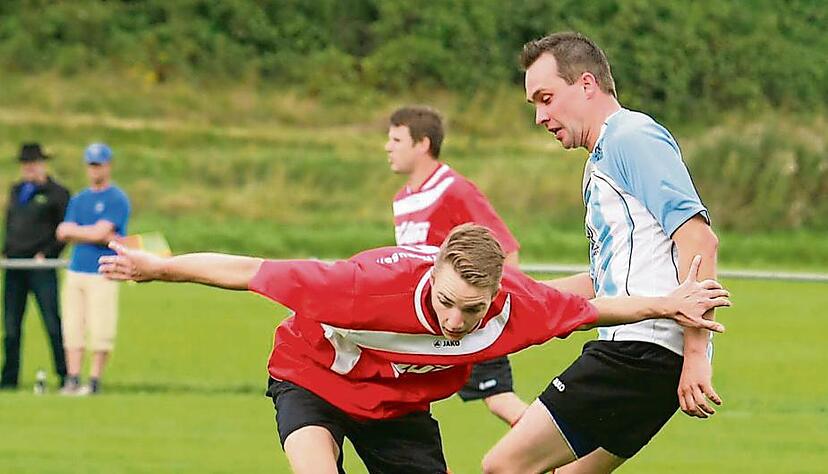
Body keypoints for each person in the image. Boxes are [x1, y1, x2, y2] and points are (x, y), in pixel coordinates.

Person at [98, 223, 729, 473]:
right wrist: (160, 268)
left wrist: (670, 303)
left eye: (471, 311)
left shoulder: (515, 307)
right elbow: (244, 270)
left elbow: (595, 309)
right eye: (447, 302)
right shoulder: (360, 289)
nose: (455, 323)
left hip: (399, 410)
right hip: (312, 381)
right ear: (433, 276)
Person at [482, 32, 724, 473]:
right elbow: (604, 281)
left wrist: (695, 356)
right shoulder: (601, 160)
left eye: (546, 98)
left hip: (642, 350)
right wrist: (509, 296)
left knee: (504, 466)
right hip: (644, 353)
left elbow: (698, 240)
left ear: (587, 85)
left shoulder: (632, 137)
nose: (540, 116)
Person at [385, 105, 528, 426]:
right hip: (423, 323)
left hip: (461, 320)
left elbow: (506, 250)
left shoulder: (454, 189)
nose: (387, 147)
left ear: (422, 144)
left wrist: (494, 313)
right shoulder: (402, 198)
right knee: (397, 401)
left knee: (499, 399)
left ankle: (563, 453)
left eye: (396, 139)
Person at [56, 143, 130, 395]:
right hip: (77, 269)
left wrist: (83, 232)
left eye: (98, 164)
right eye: (91, 164)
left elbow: (102, 232)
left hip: (104, 270)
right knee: (73, 325)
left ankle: (95, 379)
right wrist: (93, 233)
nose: (94, 169)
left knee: (101, 327)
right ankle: (73, 377)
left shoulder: (116, 198)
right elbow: (63, 231)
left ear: (108, 166)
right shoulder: (80, 199)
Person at [1, 143, 70, 390]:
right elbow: (11, 224)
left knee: (52, 322)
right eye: (25, 164)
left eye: (33, 163)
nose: (29, 168)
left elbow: (64, 230)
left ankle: (64, 374)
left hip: (41, 265)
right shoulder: (17, 190)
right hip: (15, 265)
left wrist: (49, 253)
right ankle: (9, 377)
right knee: (10, 326)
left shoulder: (57, 193)